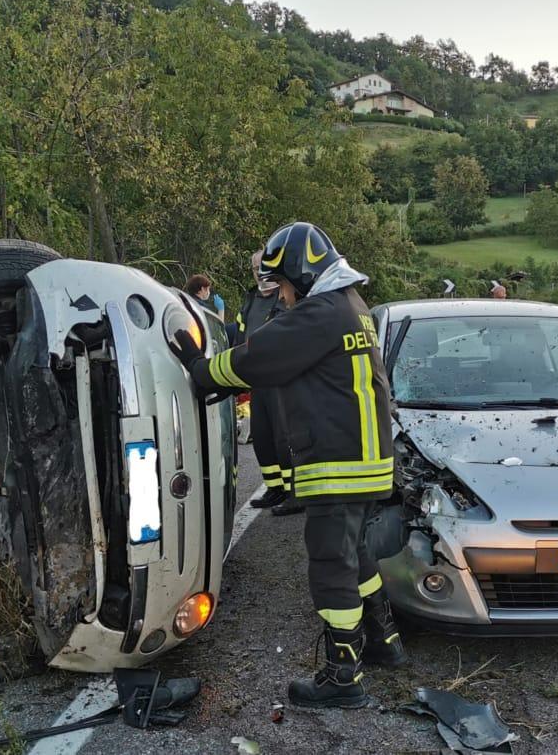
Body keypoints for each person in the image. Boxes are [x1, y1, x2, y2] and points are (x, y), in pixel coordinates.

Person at [169, 222, 408, 709]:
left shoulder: (320, 313)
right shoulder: (353, 306)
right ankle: (384, 641)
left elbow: (257, 358)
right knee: (357, 555)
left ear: (301, 273)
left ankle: (343, 677)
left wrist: (199, 368)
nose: (281, 296)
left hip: (339, 466)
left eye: (282, 284)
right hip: (367, 464)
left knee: (330, 566)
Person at [236, 250, 302, 516]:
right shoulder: (251, 299)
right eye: (254, 268)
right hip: (257, 378)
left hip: (280, 378)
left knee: (284, 438)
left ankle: (294, 493)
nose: (258, 272)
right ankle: (275, 488)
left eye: (261, 267)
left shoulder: (286, 295)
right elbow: (240, 334)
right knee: (262, 436)